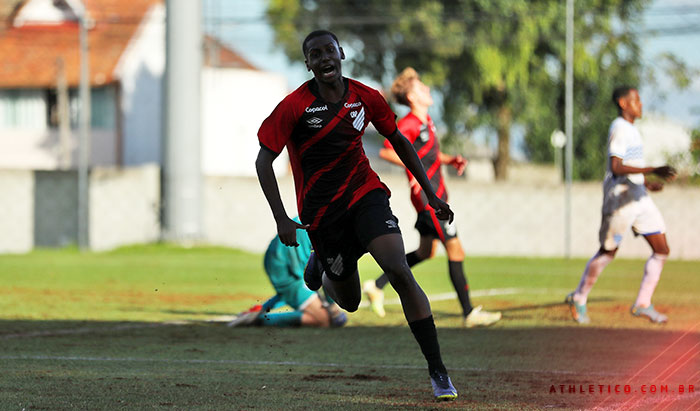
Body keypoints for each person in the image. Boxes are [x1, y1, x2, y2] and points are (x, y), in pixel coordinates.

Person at [255, 30, 457, 400]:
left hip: (365, 196)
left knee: (398, 268)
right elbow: (263, 160)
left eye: (329, 51)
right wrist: (281, 218)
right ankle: (323, 263)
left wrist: (431, 193)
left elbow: (398, 140)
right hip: (323, 216)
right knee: (349, 303)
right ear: (308, 64)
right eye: (315, 54)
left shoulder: (365, 96)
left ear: (341, 54)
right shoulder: (295, 106)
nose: (324, 58)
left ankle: (438, 371)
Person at [362, 67, 501, 328]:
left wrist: (449, 160)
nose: (427, 89)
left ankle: (376, 285)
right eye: (421, 87)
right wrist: (413, 170)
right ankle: (469, 313)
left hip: (433, 197)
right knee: (456, 249)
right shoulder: (409, 123)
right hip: (429, 199)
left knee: (426, 251)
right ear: (412, 97)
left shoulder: (427, 121)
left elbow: (428, 155)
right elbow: (387, 151)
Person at [565, 86, 677, 324]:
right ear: (623, 103)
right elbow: (616, 167)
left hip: (639, 197)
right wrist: (652, 169)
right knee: (608, 252)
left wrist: (645, 182)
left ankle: (643, 304)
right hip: (620, 201)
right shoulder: (619, 127)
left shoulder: (633, 130)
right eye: (636, 100)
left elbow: (629, 167)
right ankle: (579, 297)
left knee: (661, 250)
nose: (640, 104)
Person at [227, 217, 347, 328]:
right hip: (285, 266)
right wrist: (332, 306)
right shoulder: (334, 227)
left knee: (293, 291)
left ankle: (259, 310)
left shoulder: (321, 214)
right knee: (323, 320)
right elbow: (327, 270)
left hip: (278, 258)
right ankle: (259, 319)